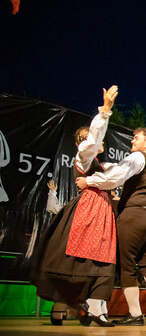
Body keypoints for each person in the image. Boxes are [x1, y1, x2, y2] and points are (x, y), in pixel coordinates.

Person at [31, 86, 119, 327]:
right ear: (85, 141)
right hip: (89, 210)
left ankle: (90, 308)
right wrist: (105, 112)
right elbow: (92, 143)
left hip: (101, 209)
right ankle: (75, 308)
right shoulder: (84, 155)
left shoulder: (99, 164)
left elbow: (113, 175)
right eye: (95, 140)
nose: (100, 143)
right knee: (78, 259)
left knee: (98, 257)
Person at [76, 127, 146, 327]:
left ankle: (135, 314)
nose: (132, 142)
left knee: (127, 266)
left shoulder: (138, 158)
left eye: (136, 138)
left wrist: (89, 180)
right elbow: (117, 167)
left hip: (135, 217)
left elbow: (116, 176)